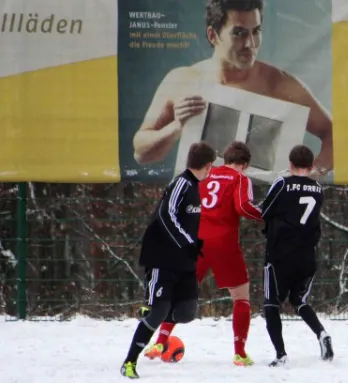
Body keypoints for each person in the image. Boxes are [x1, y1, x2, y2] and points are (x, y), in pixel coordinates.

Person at [132, 0, 333, 176]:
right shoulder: (183, 80)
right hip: (202, 202)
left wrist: (311, 176)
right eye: (239, 33)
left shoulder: (280, 84)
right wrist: (176, 127)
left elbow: (335, 133)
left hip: (258, 203)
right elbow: (141, 153)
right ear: (213, 35)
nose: (250, 43)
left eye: (256, 31)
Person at [143, 141, 262, 366]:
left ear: (224, 160)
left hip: (195, 241)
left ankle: (160, 341)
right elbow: (243, 207)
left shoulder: (206, 174)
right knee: (241, 297)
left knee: (178, 294)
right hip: (224, 243)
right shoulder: (240, 179)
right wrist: (267, 215)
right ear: (244, 165)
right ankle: (239, 353)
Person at [120, 142, 216, 379]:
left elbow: (186, 222)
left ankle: (152, 312)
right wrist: (187, 242)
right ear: (207, 166)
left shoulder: (195, 186)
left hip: (184, 261)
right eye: (210, 168)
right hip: (162, 258)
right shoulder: (181, 183)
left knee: (187, 313)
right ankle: (129, 362)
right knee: (159, 311)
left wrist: (194, 244)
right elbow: (166, 215)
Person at [260, 144, 334, 367]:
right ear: (311, 166)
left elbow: (265, 209)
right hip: (306, 255)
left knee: (272, 304)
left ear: (290, 164)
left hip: (280, 255)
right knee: (299, 300)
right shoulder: (317, 188)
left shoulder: (282, 183)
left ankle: (281, 354)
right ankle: (322, 334)